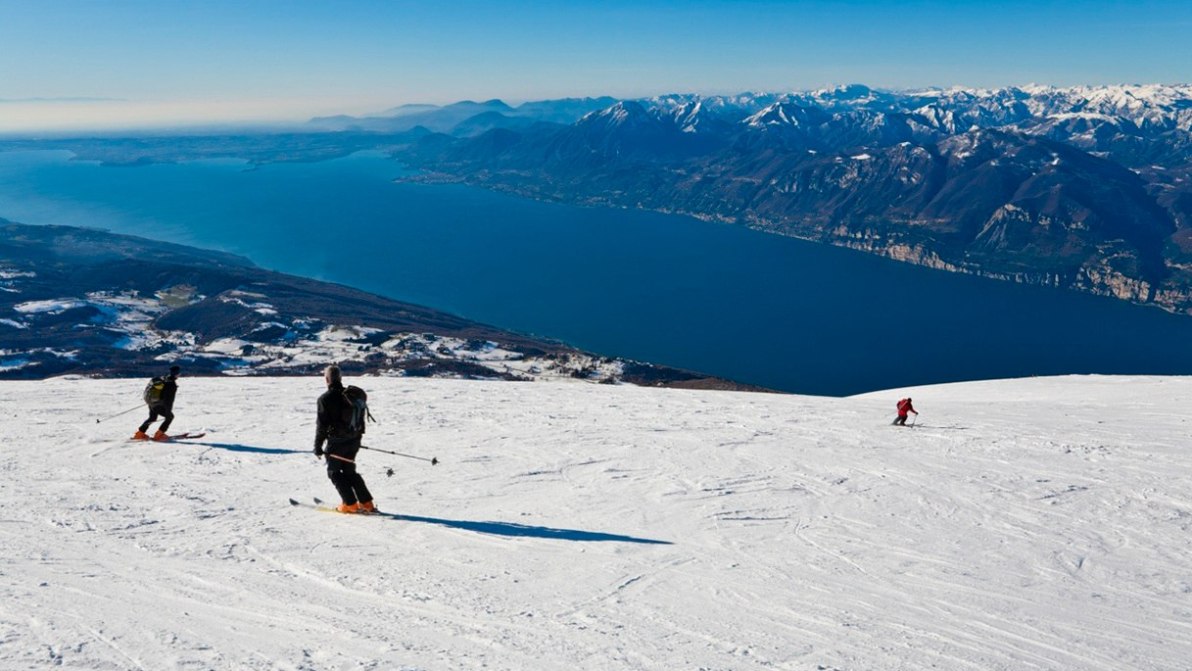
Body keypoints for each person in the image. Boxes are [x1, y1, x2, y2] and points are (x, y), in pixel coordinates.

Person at [314, 364, 377, 514]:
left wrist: (317, 446)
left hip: (337, 442)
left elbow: (321, 425)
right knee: (349, 471)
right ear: (340, 378)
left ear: (327, 379)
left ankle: (350, 504)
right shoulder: (352, 396)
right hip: (354, 440)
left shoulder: (325, 399)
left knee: (334, 472)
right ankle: (367, 503)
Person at [133, 365, 181, 441]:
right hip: (158, 404)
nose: (179, 375)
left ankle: (140, 433)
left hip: (151, 402)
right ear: (176, 374)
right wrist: (168, 411)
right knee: (170, 417)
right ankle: (159, 434)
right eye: (179, 373)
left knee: (152, 418)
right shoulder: (171, 384)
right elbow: (168, 400)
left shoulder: (163, 379)